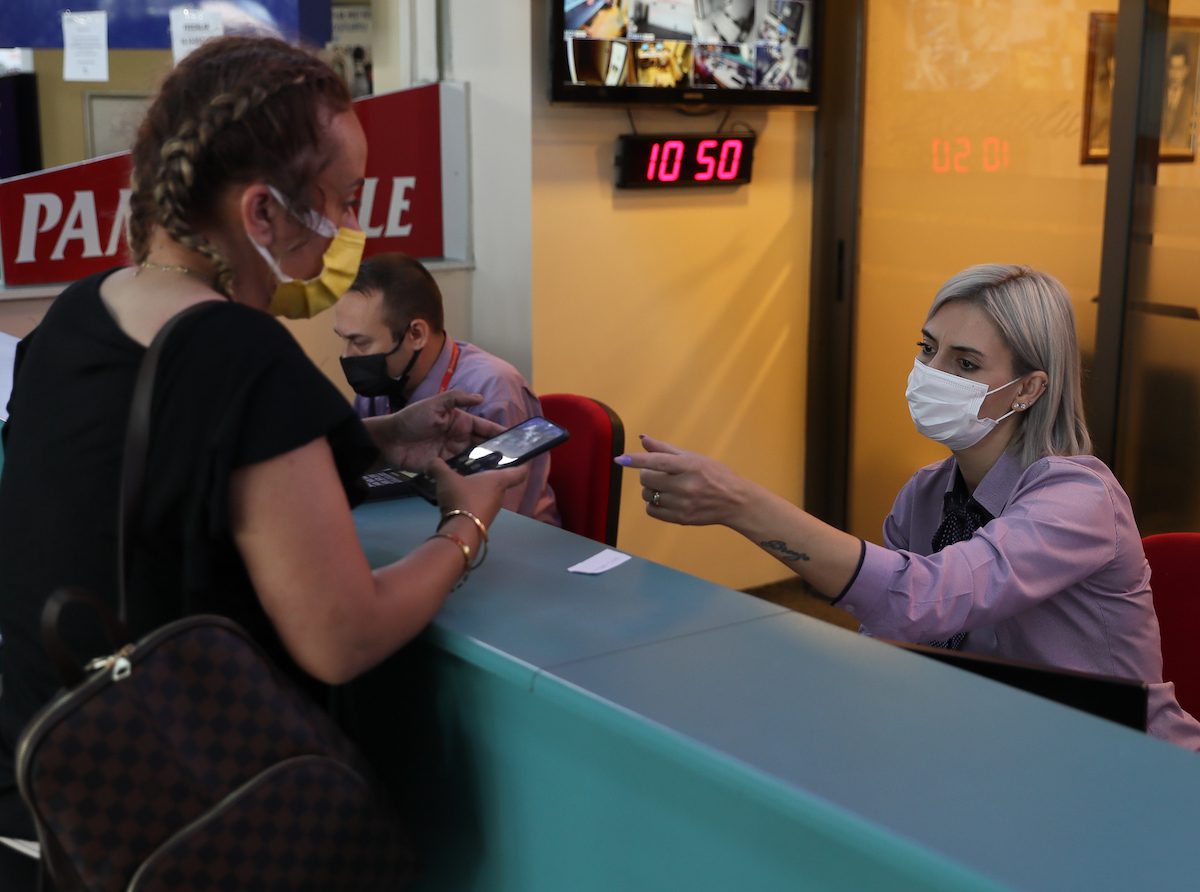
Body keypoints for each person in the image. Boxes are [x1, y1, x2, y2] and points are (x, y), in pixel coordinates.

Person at [0, 35, 524, 885]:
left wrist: (390, 438)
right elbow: (341, 637)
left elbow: (191, 469)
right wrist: (467, 522)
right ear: (261, 215)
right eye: (345, 201)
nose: (356, 230)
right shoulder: (237, 353)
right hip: (188, 818)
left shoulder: (78, 315)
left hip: (57, 797)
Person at [618, 264, 1200, 750]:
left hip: (1122, 763)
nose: (932, 373)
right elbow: (891, 637)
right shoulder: (926, 493)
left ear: (1028, 390)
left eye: (966, 364)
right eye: (928, 349)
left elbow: (919, 600)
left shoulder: (1078, 497)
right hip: (990, 744)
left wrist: (739, 502)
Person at [334, 252, 560, 525]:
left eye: (359, 342)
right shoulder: (379, 387)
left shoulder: (493, 391)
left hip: (506, 543)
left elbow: (496, 519)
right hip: (411, 531)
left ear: (416, 334)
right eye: (344, 340)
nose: (347, 357)